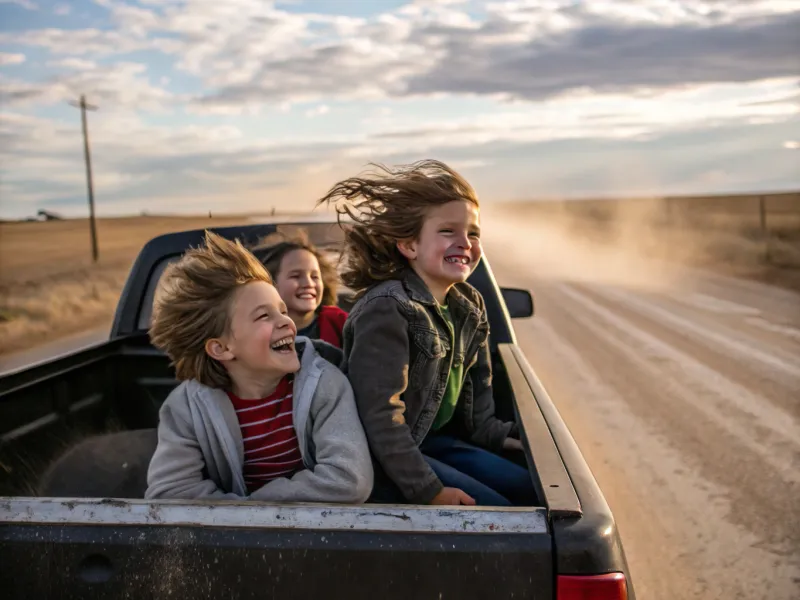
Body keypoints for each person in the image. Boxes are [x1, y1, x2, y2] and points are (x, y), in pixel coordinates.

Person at [317, 159, 536, 507]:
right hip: (386, 455)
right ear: (409, 246)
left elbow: (476, 406)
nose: (465, 242)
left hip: (435, 440)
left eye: (473, 233)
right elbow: (379, 416)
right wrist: (428, 491)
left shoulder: (469, 306)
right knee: (501, 512)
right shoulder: (388, 307)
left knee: (529, 489)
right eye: (448, 231)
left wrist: (506, 440)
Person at [144, 230, 373, 503]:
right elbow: (170, 491)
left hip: (316, 529)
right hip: (233, 538)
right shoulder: (187, 408)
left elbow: (349, 479)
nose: (285, 323)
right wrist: (246, 515)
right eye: (264, 315)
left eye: (283, 311)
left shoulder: (325, 384)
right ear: (221, 348)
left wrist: (256, 506)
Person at [252, 230, 348, 348]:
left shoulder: (341, 324)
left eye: (315, 277)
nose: (308, 283)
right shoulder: (254, 330)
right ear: (269, 283)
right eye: (296, 276)